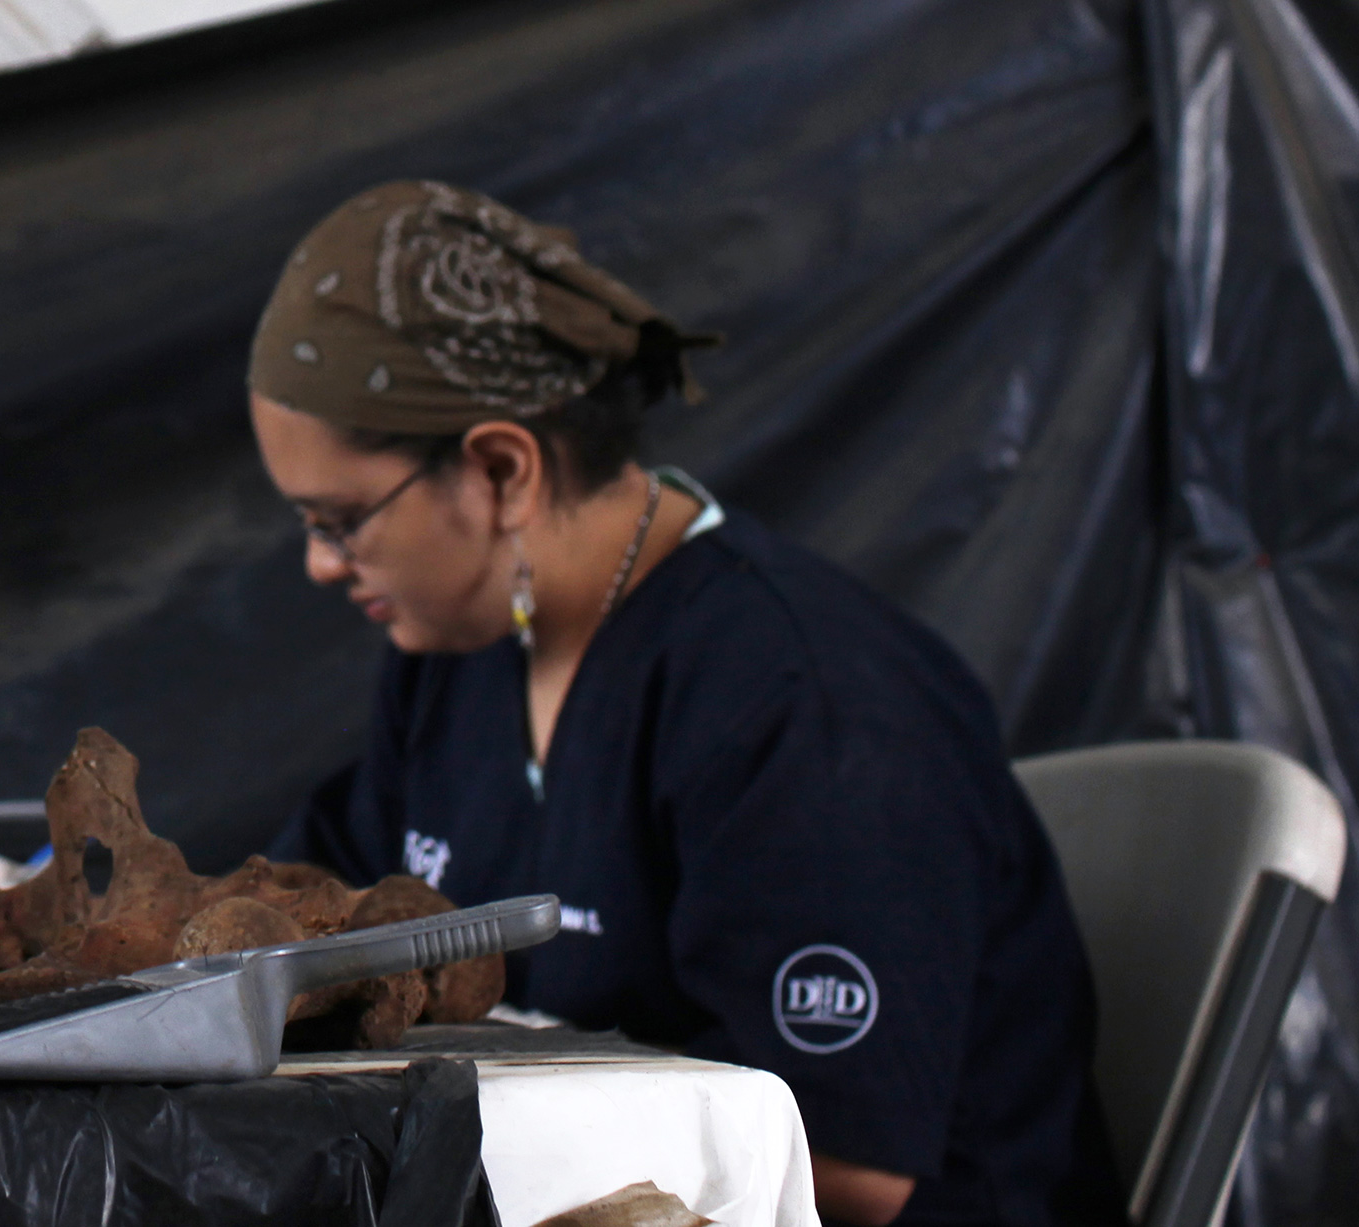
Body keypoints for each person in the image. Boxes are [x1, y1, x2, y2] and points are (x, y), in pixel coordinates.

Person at [253, 181, 1125, 1227]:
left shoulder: (803, 703)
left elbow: (837, 1167)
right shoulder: (456, 653)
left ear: (499, 469)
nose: (319, 563)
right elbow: (313, 922)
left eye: (340, 520)